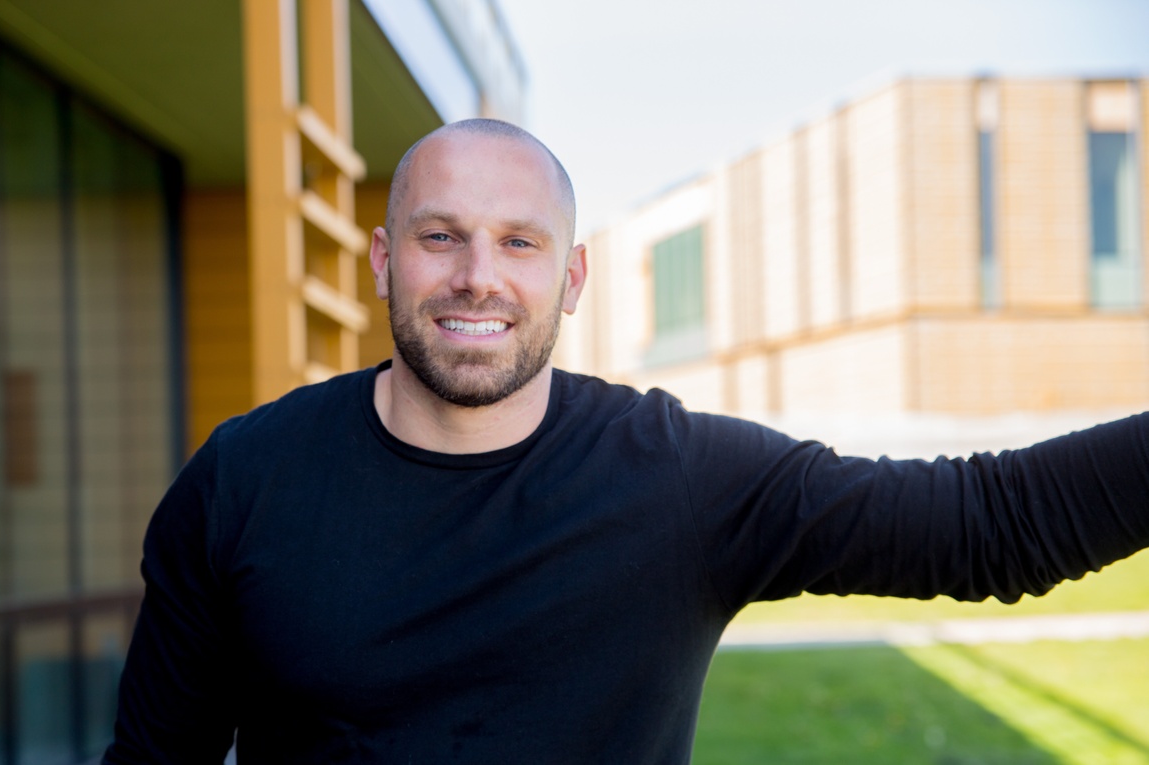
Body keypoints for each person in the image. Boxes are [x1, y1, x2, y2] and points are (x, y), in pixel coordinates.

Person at [103, 119, 1148, 764]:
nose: (479, 275)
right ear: (382, 260)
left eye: (520, 242)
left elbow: (985, 527)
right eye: (439, 236)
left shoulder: (678, 481)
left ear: (572, 279)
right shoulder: (243, 479)